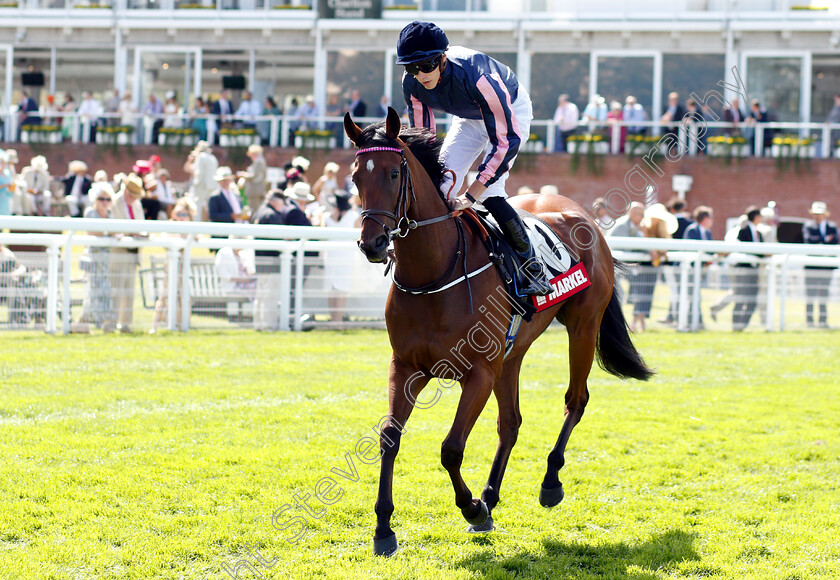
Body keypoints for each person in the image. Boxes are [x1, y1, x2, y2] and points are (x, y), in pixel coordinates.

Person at [397, 20, 552, 295]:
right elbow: (425, 140)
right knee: (440, 185)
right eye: (411, 67)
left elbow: (506, 141)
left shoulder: (478, 76)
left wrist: (470, 195)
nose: (420, 75)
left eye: (427, 65)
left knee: (489, 191)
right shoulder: (411, 83)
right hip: (468, 118)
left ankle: (532, 267)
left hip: (511, 112)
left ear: (442, 58)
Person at [150, 198, 197, 333]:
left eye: (185, 215)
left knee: (183, 295)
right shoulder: (170, 226)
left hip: (184, 266)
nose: (181, 218)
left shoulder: (191, 228)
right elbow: (165, 241)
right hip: (170, 266)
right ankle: (156, 325)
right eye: (179, 214)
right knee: (165, 295)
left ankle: (183, 325)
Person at [76, 183, 117, 333]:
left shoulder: (110, 214)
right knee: (94, 290)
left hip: (106, 260)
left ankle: (103, 323)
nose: (105, 202)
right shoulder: (90, 212)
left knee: (104, 290)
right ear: (95, 199)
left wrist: (109, 233)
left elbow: (112, 232)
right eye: (102, 199)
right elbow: (93, 232)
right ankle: (84, 322)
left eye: (108, 199)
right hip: (94, 259)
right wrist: (109, 234)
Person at [109, 174, 147, 333]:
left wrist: (142, 234)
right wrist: (131, 233)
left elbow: (141, 224)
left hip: (133, 253)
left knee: (129, 289)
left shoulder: (137, 205)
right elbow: (113, 226)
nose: (133, 199)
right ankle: (111, 322)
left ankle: (125, 324)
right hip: (118, 253)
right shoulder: (114, 202)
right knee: (116, 289)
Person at [320, 191, 360, 325]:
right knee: (341, 288)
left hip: (331, 256)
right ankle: (337, 321)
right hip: (346, 256)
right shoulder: (354, 216)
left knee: (332, 288)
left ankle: (334, 320)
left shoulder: (326, 217)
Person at [802, 201, 838, 328]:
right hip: (812, 266)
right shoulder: (808, 226)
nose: (817, 216)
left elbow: (835, 241)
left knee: (824, 294)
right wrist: (824, 239)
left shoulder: (832, 226)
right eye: (815, 214)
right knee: (810, 295)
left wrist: (821, 241)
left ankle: (823, 321)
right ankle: (810, 321)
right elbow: (809, 240)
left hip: (826, 267)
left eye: (820, 214)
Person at [731, 206, 764, 331]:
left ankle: (742, 325)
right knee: (740, 299)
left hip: (754, 271)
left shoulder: (758, 232)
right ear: (756, 217)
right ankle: (736, 326)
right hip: (743, 270)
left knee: (752, 300)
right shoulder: (744, 230)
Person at [184, 140, 218, 221]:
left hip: (201, 186)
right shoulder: (212, 158)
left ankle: (197, 226)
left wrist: (196, 184)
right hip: (211, 186)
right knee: (207, 207)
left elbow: (199, 173)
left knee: (197, 206)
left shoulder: (201, 157)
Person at [237, 144, 267, 211]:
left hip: (255, 190)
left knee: (254, 210)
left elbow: (254, 176)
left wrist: (243, 175)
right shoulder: (260, 161)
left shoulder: (259, 162)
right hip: (258, 190)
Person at [0, 151, 13, 217]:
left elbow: (10, 183)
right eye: (2, 163)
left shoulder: (7, 173)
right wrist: (4, 185)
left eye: (4, 163)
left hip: (6, 196)